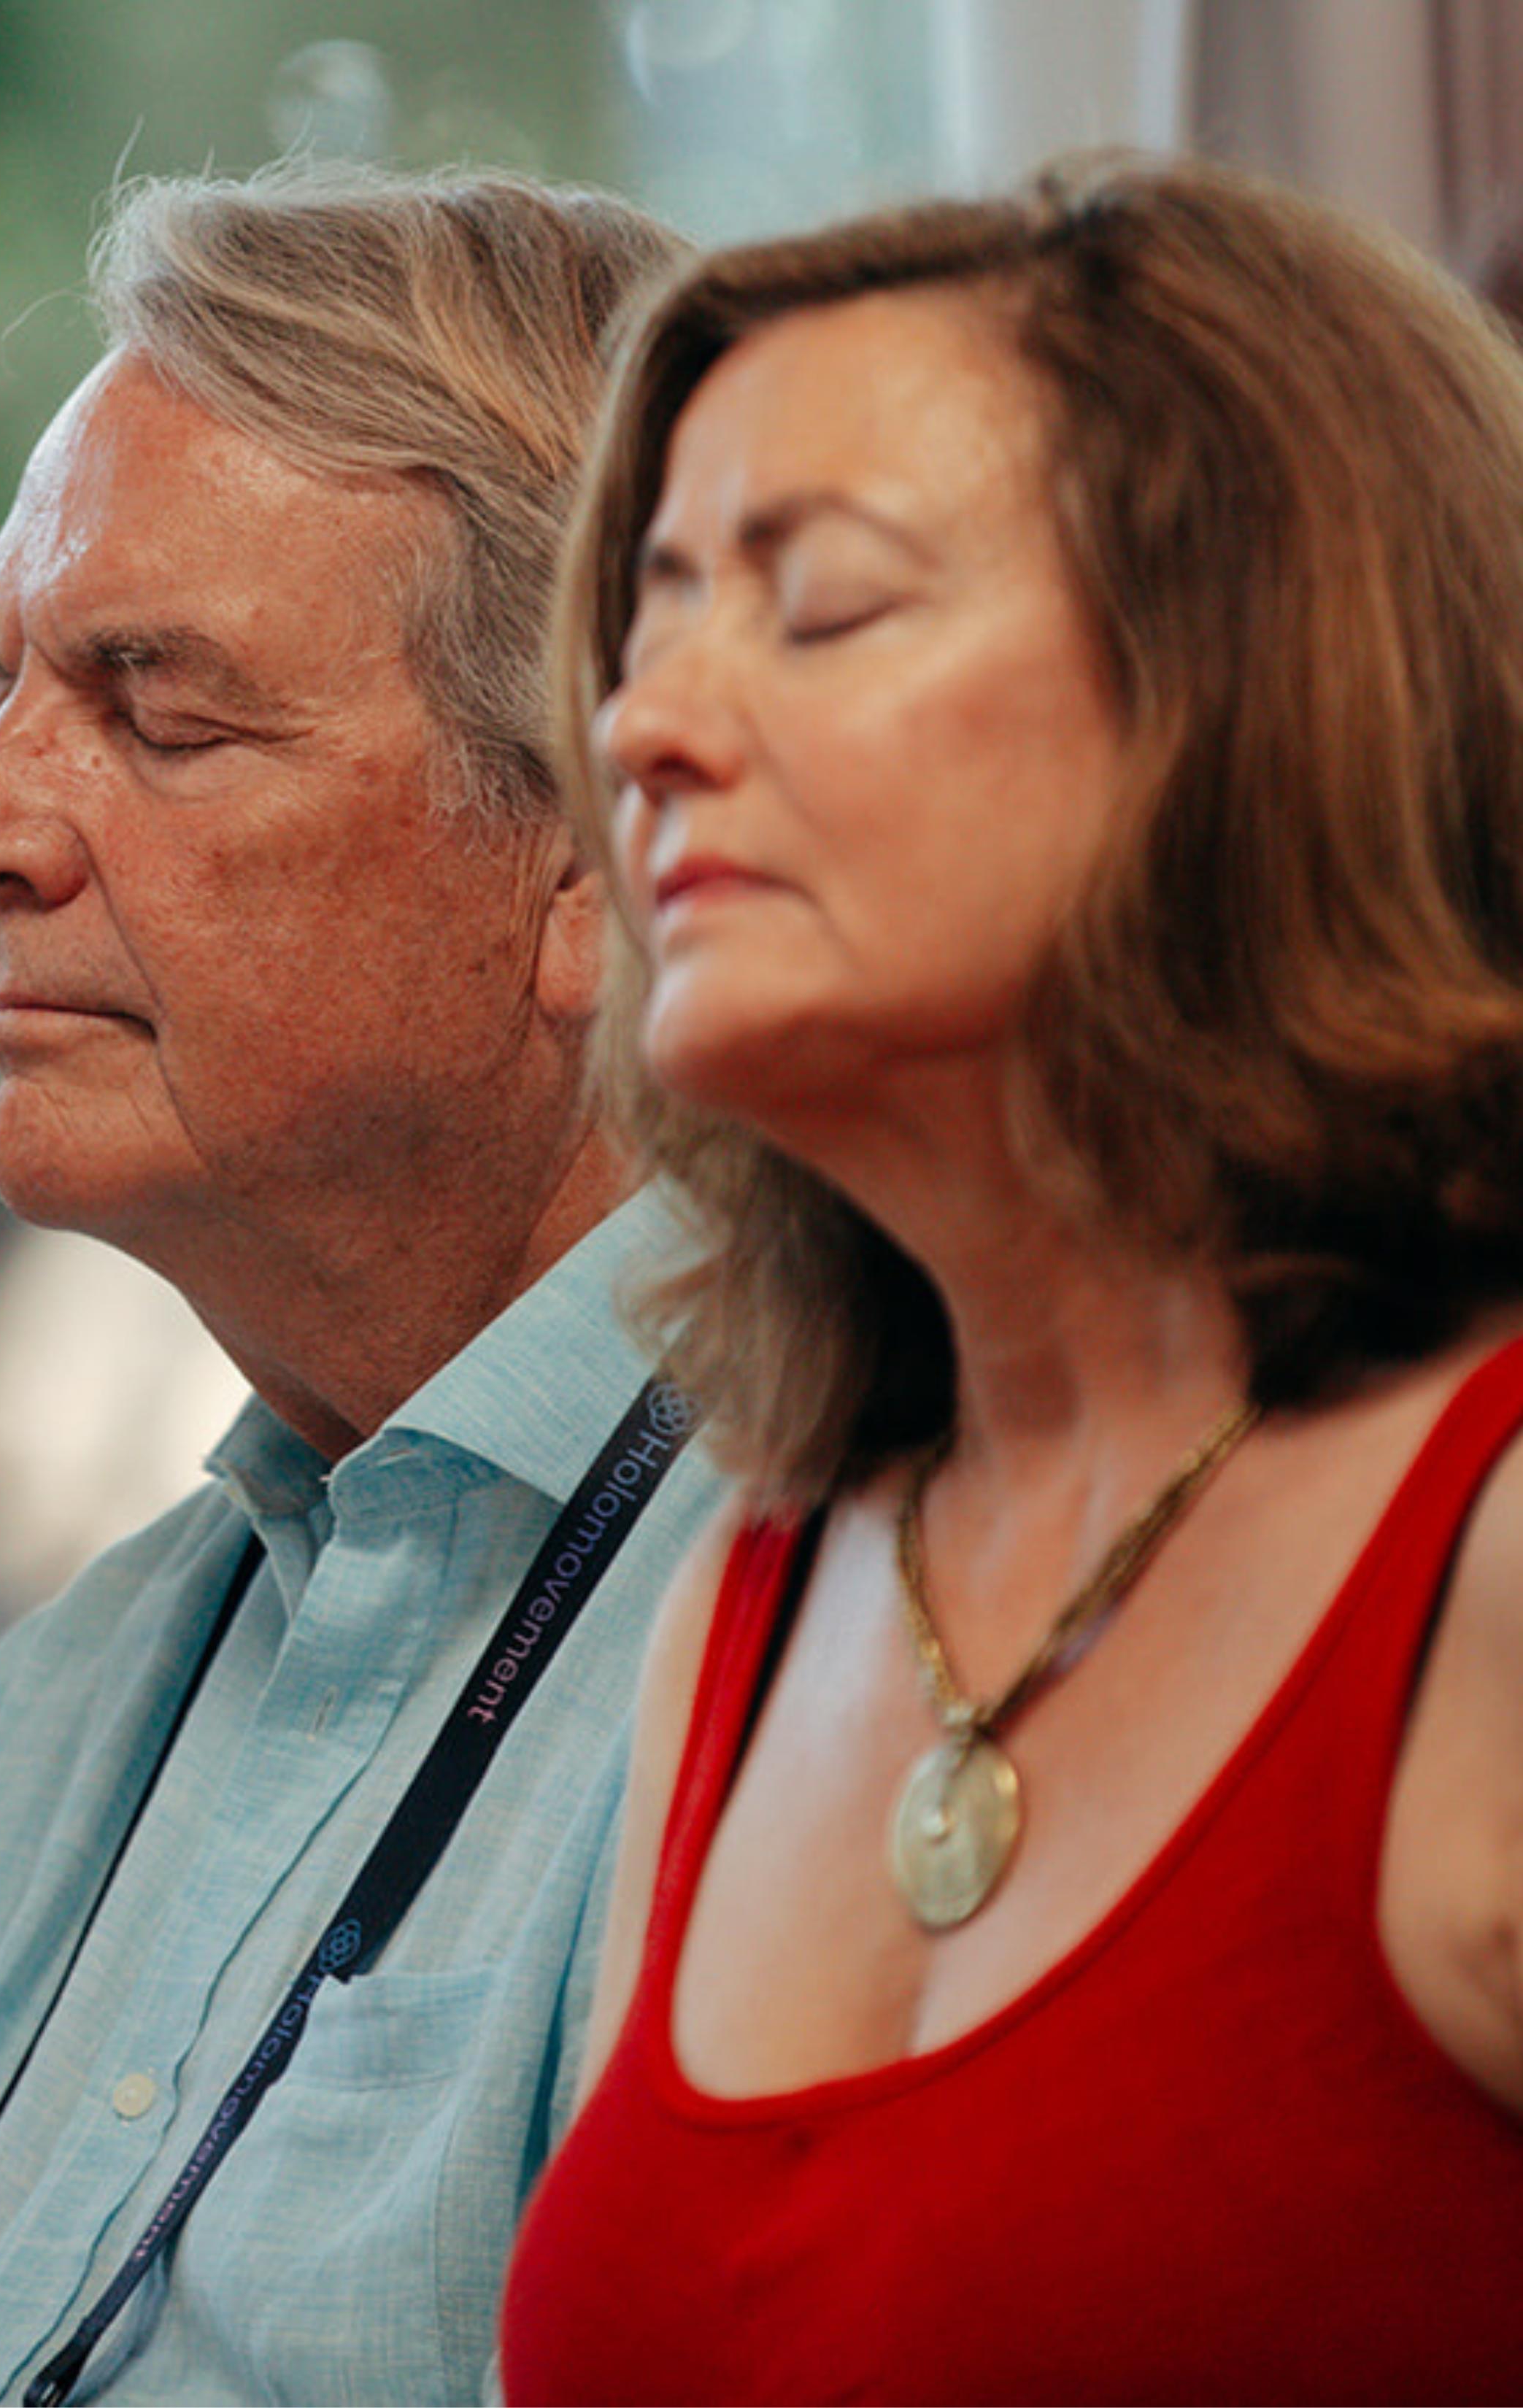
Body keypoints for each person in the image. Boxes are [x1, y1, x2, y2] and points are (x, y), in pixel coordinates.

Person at [498, 155, 1523, 2404]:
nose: (642, 725)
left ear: (1251, 681)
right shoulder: (745, 1606)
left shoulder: (1495, 1556)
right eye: (650, 622)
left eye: (824, 605)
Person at [0, 164, 717, 2407]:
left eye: (155, 713)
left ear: (598, 850)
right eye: (5, 690)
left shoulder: (837, 1640)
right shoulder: (67, 1705)